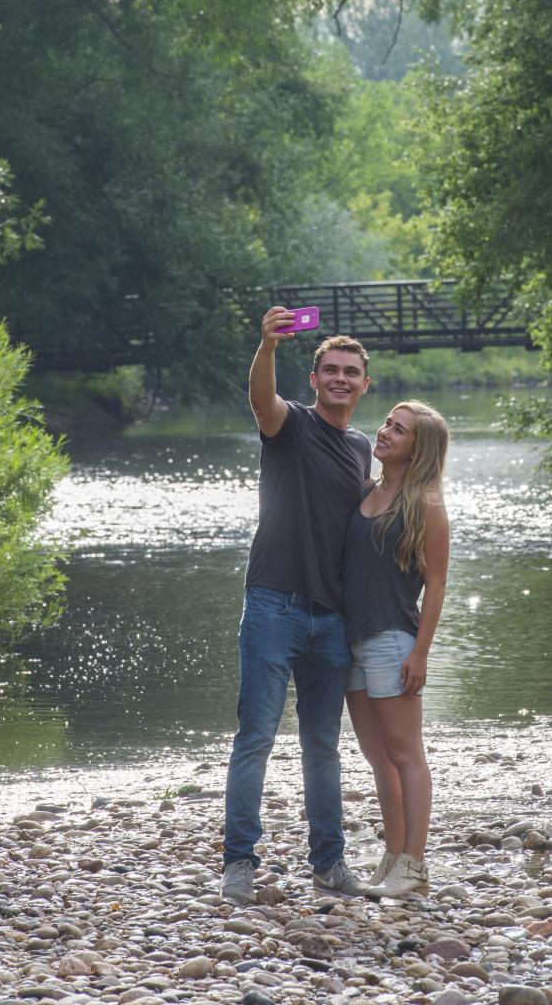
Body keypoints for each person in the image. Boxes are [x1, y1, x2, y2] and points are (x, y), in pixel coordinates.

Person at [220, 306, 373, 905]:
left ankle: (329, 865)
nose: (340, 378)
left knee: (323, 746)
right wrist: (267, 346)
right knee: (255, 734)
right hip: (272, 606)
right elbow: (262, 401)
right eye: (330, 370)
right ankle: (239, 863)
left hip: (332, 619)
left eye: (350, 372)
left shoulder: (362, 447)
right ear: (315, 381)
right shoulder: (292, 425)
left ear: (365, 384)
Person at [343, 400, 450, 898]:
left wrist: (421, 653)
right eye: (387, 422)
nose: (384, 432)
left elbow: (437, 583)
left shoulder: (425, 502)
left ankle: (416, 864)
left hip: (392, 639)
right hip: (353, 640)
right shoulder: (368, 488)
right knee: (376, 756)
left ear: (418, 447)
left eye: (398, 429)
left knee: (406, 753)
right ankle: (393, 854)